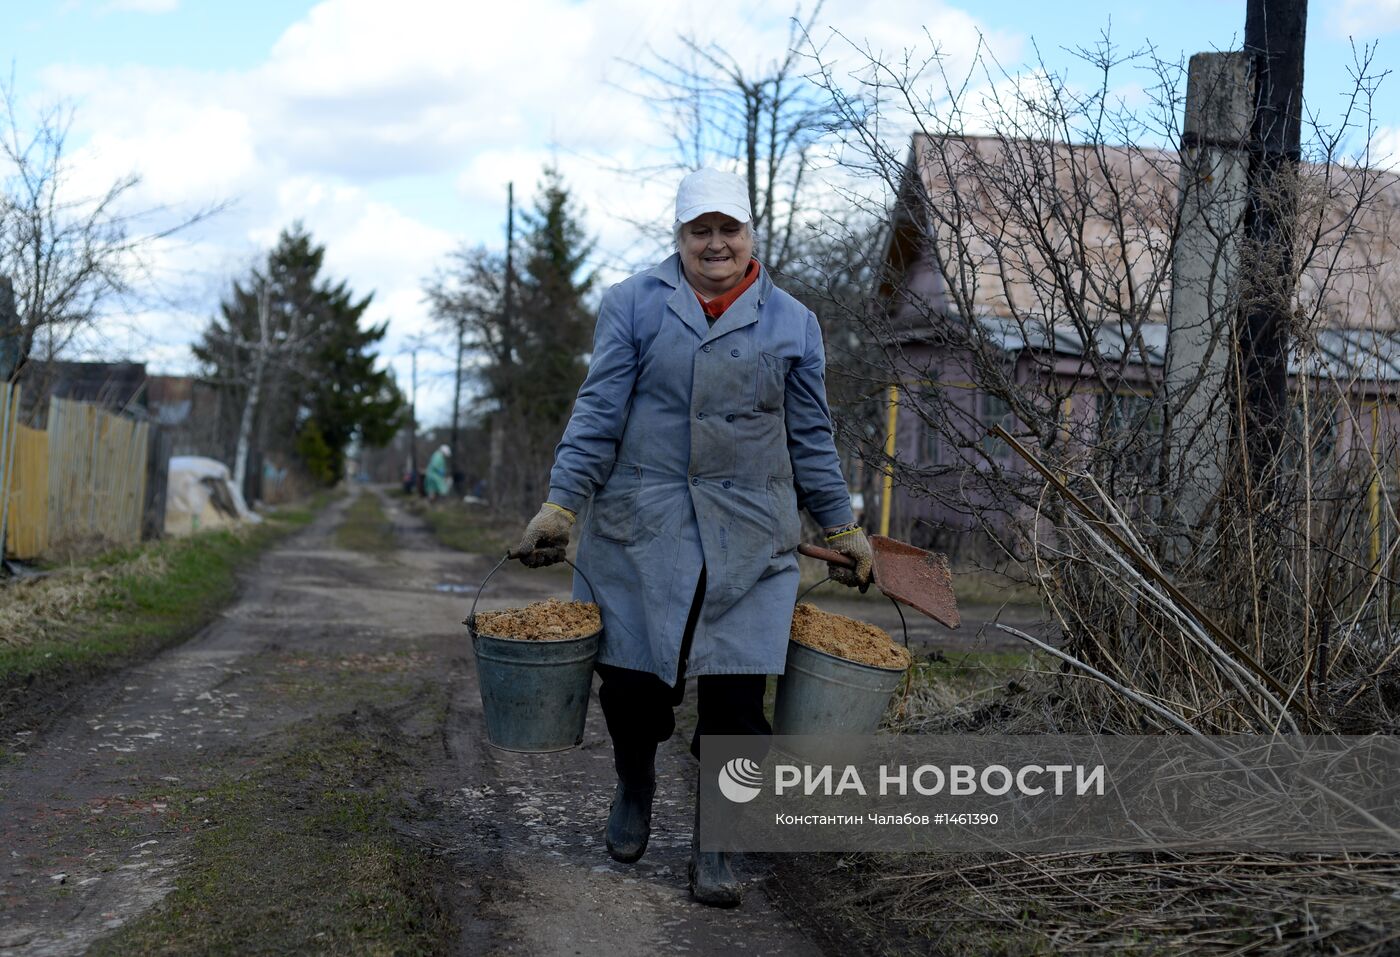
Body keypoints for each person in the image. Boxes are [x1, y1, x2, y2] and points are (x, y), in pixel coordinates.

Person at [513, 168, 872, 907]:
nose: (715, 244)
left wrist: (840, 523)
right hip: (645, 528)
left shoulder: (793, 322)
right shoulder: (634, 306)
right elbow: (598, 410)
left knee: (738, 702)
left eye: (728, 229)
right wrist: (562, 503)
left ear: (751, 234)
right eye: (699, 230)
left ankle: (716, 841)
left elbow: (810, 435)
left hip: (751, 537)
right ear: (678, 237)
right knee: (638, 686)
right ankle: (635, 780)